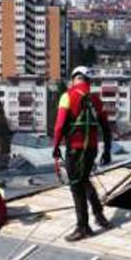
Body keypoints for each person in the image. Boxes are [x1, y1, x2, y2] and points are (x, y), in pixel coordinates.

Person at [52, 65, 113, 242]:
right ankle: (99, 216)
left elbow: (59, 125)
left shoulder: (67, 96)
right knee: (85, 180)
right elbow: (106, 128)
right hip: (91, 149)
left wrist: (56, 146)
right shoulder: (96, 99)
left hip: (75, 149)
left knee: (76, 186)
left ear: (74, 79)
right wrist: (107, 149)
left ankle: (83, 227)